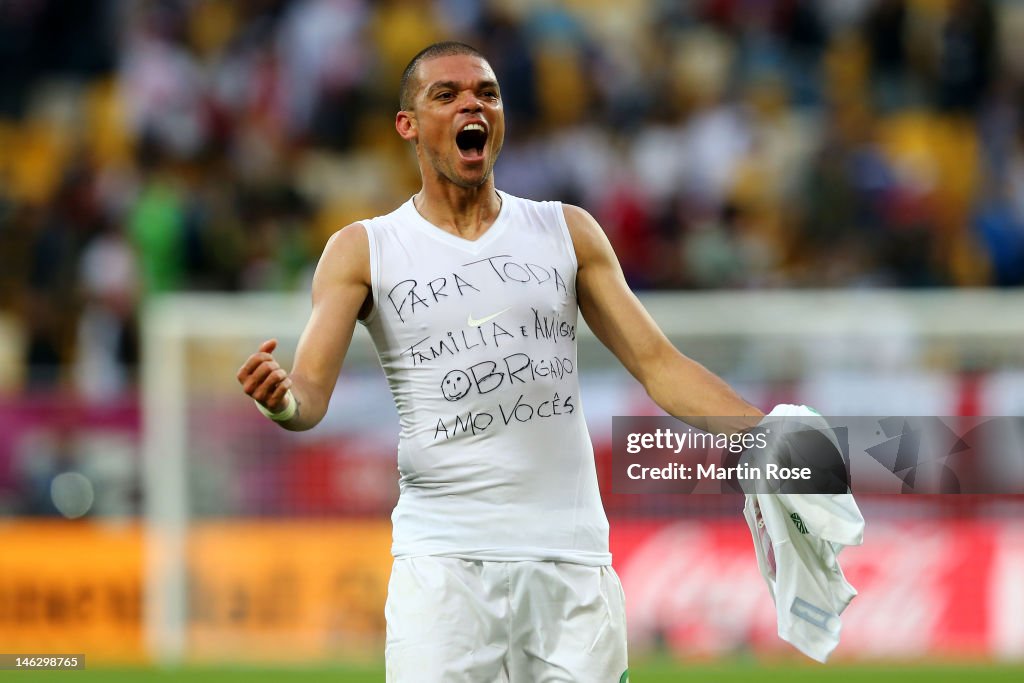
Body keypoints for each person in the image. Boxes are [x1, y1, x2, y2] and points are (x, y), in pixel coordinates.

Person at [237, 41, 763, 682]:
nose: (471, 104)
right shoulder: (363, 249)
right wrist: (282, 399)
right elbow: (309, 396)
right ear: (408, 125)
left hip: (570, 563)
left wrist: (769, 436)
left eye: (486, 93)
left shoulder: (566, 231)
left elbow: (661, 366)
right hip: (443, 568)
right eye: (446, 94)